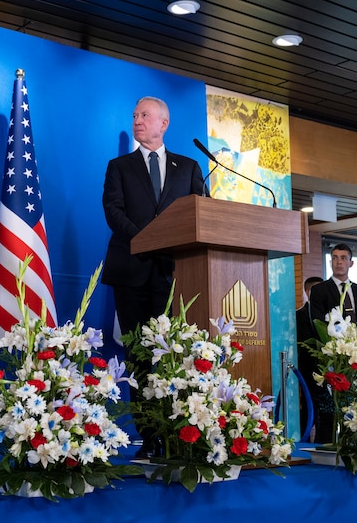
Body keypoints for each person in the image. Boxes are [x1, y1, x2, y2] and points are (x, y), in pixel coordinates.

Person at [101, 96, 205, 457]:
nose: (137, 120)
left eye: (144, 115)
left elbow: (199, 215)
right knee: (139, 356)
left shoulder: (188, 167)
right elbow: (112, 211)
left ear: (164, 123)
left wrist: (166, 243)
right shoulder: (120, 166)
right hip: (131, 271)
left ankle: (179, 435)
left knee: (174, 356)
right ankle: (149, 438)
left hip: (176, 275)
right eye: (134, 115)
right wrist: (145, 239)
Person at [308, 243, 357, 327]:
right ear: (331, 262)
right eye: (334, 258)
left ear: (351, 263)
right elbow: (318, 324)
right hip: (333, 339)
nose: (339, 262)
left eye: (343, 258)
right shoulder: (319, 290)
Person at [296, 275, 329, 442]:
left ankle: (325, 443)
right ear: (307, 292)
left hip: (329, 371)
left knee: (327, 412)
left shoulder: (331, 314)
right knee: (309, 410)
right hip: (308, 371)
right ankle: (304, 444)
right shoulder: (298, 315)